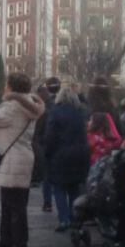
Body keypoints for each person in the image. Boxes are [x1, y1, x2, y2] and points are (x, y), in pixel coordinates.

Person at [0, 73, 45, 247]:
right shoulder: (28, 105)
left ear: (11, 87)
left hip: (13, 159)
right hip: (20, 157)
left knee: (14, 205)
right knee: (11, 203)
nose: (4, 87)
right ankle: (7, 240)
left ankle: (18, 245)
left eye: (6, 84)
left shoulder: (13, 106)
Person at [45, 85, 90, 233]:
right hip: (79, 154)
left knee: (59, 188)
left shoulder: (55, 112)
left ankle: (63, 219)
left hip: (60, 154)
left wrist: (47, 153)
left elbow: (50, 137)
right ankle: (74, 218)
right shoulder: (81, 112)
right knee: (74, 188)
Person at [33, 77, 59, 212]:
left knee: (47, 176)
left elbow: (36, 129)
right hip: (53, 142)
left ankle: (47, 202)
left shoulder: (39, 108)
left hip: (42, 142)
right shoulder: (55, 105)